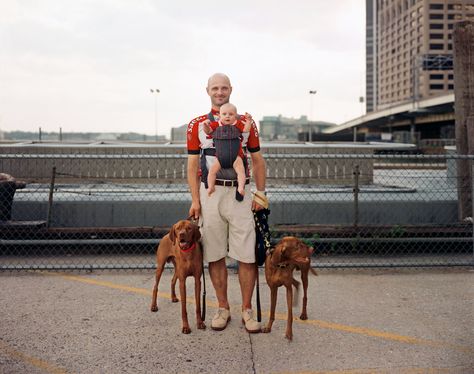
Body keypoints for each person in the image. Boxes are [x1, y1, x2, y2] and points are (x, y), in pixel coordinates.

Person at [187, 73, 267, 333]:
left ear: (231, 89)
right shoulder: (197, 124)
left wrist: (261, 194)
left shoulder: (245, 123)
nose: (219, 92)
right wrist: (195, 200)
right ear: (207, 90)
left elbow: (257, 160)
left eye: (224, 88)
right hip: (210, 194)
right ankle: (223, 308)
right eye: (215, 88)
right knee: (214, 253)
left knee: (246, 253)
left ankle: (246, 310)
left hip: (239, 194)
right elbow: (191, 165)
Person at [201, 102, 252, 199]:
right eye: (224, 114)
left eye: (231, 114)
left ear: (235, 116)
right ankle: (211, 187)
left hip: (236, 157)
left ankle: (241, 188)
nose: (227, 116)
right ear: (219, 115)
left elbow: (246, 129)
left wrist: (249, 120)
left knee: (241, 172)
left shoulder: (238, 124)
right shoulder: (216, 125)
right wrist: (205, 125)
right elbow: (208, 131)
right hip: (220, 157)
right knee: (212, 171)